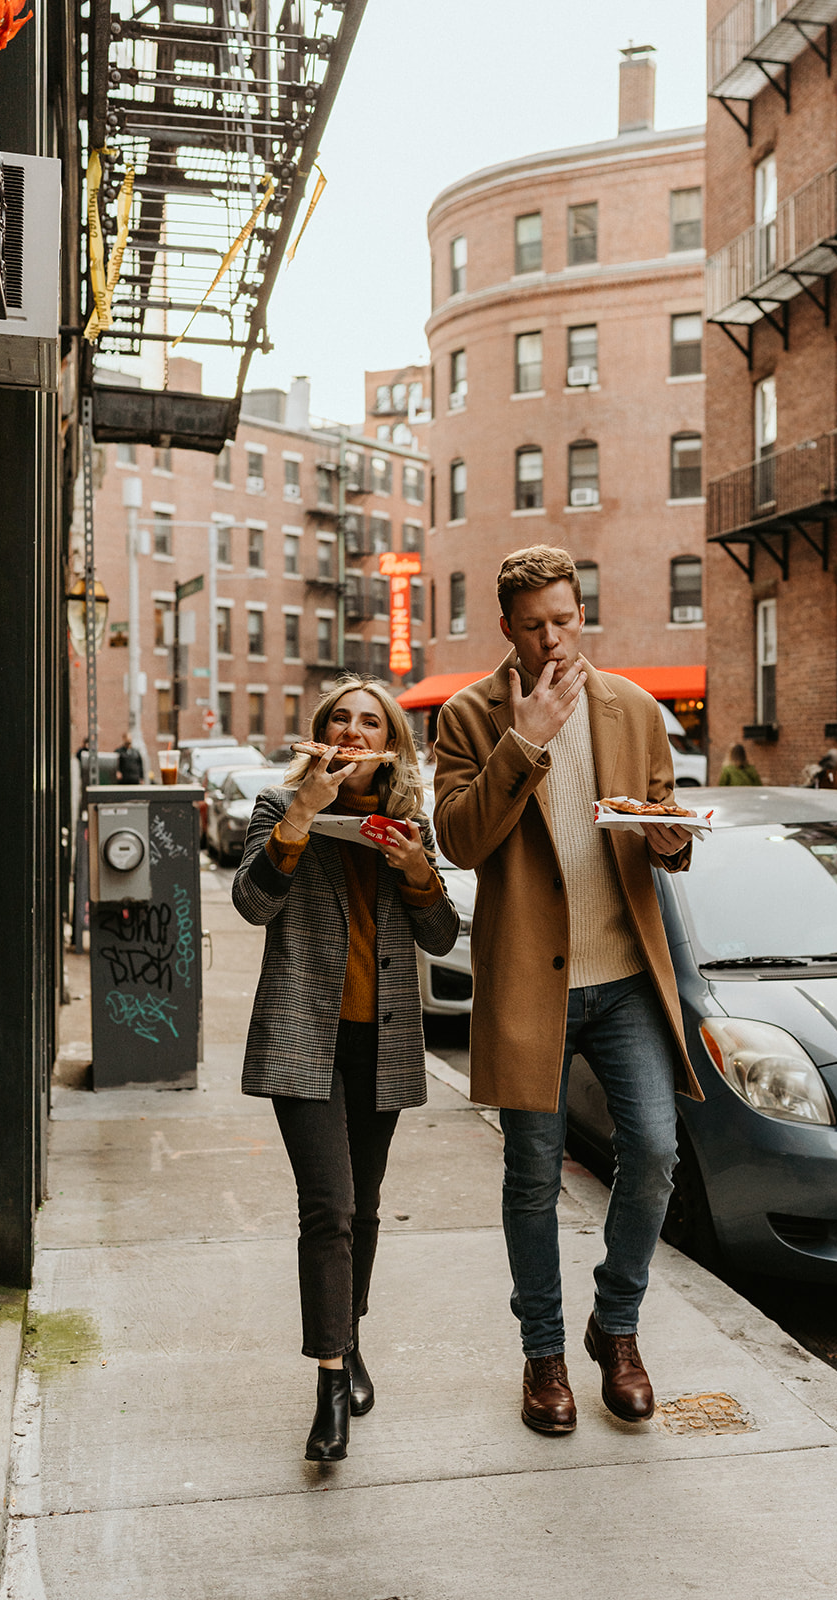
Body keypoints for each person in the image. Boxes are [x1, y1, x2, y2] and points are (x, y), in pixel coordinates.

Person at [433, 545, 704, 1437]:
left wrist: (669, 840)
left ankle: (614, 1328)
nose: (553, 639)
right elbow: (462, 839)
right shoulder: (471, 717)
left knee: (656, 1153)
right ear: (505, 628)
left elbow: (661, 823)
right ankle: (542, 1355)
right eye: (534, 625)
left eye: (565, 619)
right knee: (530, 1179)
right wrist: (527, 741)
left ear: (579, 612)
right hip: (530, 988)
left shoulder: (630, 707)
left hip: (624, 977)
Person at [233, 676, 459, 1462]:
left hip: (381, 1041)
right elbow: (252, 906)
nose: (355, 732)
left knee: (364, 1209)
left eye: (371, 722)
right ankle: (330, 1381)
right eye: (342, 721)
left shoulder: (406, 822)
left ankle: (348, 1335)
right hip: (304, 1037)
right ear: (321, 734)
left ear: (390, 741)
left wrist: (415, 870)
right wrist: (299, 818)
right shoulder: (279, 807)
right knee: (327, 1208)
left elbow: (438, 936)